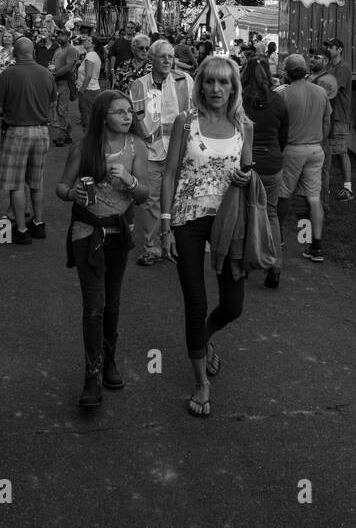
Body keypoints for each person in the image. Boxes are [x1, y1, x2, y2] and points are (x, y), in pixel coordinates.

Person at [158, 56, 253, 418]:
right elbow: (169, 176)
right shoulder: (187, 122)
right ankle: (201, 382)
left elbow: (246, 169)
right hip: (186, 219)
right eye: (209, 82)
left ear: (233, 87)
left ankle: (206, 338)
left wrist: (246, 177)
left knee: (233, 305)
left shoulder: (244, 125)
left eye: (223, 83)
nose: (216, 89)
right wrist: (165, 226)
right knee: (195, 304)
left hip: (228, 221)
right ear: (200, 85)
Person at [55, 90, 149, 407]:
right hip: (87, 232)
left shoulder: (136, 147)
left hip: (119, 233)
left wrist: (130, 181)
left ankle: (110, 360)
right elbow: (60, 187)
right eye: (119, 112)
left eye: (129, 112)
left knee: (112, 302)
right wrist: (73, 195)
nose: (127, 117)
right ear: (102, 117)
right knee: (93, 305)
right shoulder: (84, 148)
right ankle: (91, 375)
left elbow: (144, 194)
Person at [130, 40, 194, 266]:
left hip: (180, 152)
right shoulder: (139, 84)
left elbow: (194, 113)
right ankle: (152, 247)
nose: (168, 60)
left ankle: (179, 242)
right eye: (162, 56)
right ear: (151, 59)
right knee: (151, 200)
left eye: (171, 56)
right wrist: (143, 139)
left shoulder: (184, 80)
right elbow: (135, 118)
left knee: (180, 197)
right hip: (151, 153)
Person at [0, 37, 56, 244]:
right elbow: (52, 102)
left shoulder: (8, 74)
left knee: (16, 184)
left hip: (17, 132)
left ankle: (21, 229)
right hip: (42, 132)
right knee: (36, 182)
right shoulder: (46, 73)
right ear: (33, 52)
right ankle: (39, 224)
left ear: (14, 54)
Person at [277, 53, 331, 264]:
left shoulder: (284, 95)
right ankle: (316, 245)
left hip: (292, 149)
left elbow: (279, 126)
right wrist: (319, 139)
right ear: (306, 70)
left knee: (283, 194)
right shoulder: (320, 92)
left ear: (287, 73)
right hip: (315, 149)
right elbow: (328, 121)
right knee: (314, 197)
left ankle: (277, 234)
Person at [241, 57, 288, 288]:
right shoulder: (278, 101)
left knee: (246, 212)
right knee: (270, 213)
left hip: (247, 162)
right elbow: (284, 135)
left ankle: (245, 260)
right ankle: (275, 264)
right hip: (272, 161)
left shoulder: (240, 101)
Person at [325, 37, 353, 200]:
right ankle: (325, 187)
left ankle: (347, 187)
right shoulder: (329, 65)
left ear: (340, 49)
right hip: (330, 115)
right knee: (327, 152)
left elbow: (333, 88)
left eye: (332, 47)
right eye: (329, 47)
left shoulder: (343, 68)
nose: (329, 50)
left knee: (342, 152)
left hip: (339, 116)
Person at [309, 51, 339, 207]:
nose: (312, 59)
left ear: (326, 60)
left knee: (321, 172)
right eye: (311, 57)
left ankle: (322, 205)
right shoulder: (311, 78)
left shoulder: (328, 80)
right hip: (309, 134)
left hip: (321, 134)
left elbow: (318, 107)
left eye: (316, 57)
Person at [51, 31, 80, 146]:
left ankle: (62, 135)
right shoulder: (58, 49)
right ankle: (67, 134)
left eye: (62, 35)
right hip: (57, 81)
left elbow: (69, 67)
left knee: (62, 109)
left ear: (68, 37)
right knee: (60, 108)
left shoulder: (71, 50)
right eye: (58, 35)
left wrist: (55, 74)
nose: (59, 37)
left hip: (65, 81)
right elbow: (53, 64)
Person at [76, 35, 104, 130]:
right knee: (90, 118)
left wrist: (82, 89)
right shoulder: (93, 55)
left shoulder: (91, 55)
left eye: (89, 40)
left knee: (87, 120)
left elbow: (88, 75)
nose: (85, 41)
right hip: (92, 89)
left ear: (93, 44)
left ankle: (88, 142)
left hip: (89, 90)